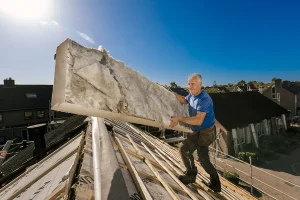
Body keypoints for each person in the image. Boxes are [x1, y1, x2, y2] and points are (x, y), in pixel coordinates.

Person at [170, 73, 221, 192]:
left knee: (184, 149)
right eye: (189, 84)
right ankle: (216, 184)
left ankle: (191, 176)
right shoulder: (192, 95)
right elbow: (183, 100)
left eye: (192, 84)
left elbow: (198, 121)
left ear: (200, 84)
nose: (190, 86)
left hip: (205, 132)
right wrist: (174, 94)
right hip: (199, 130)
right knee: (203, 160)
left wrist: (179, 118)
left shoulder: (204, 99)